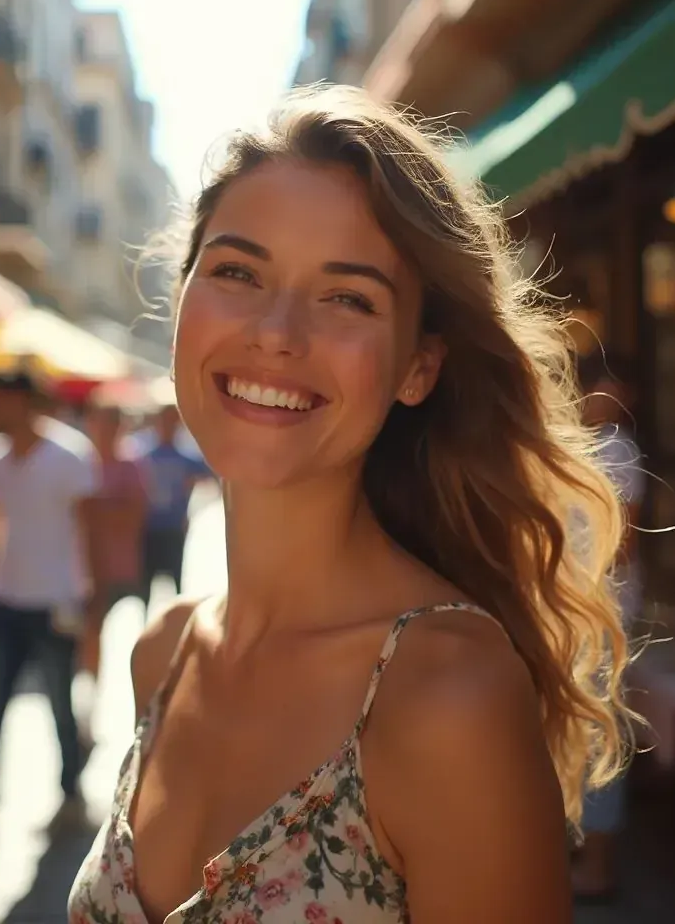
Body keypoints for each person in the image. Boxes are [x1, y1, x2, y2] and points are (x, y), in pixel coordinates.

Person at [68, 85, 631, 923]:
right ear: (182, 300)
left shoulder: (449, 697)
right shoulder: (164, 652)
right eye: (237, 272)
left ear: (418, 368)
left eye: (347, 298)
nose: (277, 332)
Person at [0, 370, 101, 848]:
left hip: (55, 600)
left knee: (60, 703)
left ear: (21, 401)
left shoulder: (69, 456)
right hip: (4, 599)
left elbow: (88, 528)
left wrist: (89, 600)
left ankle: (70, 794)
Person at [571, 355, 646, 902]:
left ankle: (597, 866)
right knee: (584, 734)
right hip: (579, 610)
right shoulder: (578, 443)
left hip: (597, 612)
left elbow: (623, 545)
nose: (611, 400)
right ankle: (586, 859)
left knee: (596, 736)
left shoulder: (615, 447)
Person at [82, 400, 148, 678]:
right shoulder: (80, 463)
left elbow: (134, 516)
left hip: (118, 567)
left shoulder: (131, 464)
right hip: (82, 566)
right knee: (88, 630)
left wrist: (94, 511)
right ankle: (91, 683)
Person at [136, 403, 211, 602]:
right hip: (148, 527)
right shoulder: (143, 458)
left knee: (177, 581)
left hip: (174, 527)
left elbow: (212, 476)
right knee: (146, 583)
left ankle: (176, 624)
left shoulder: (186, 458)